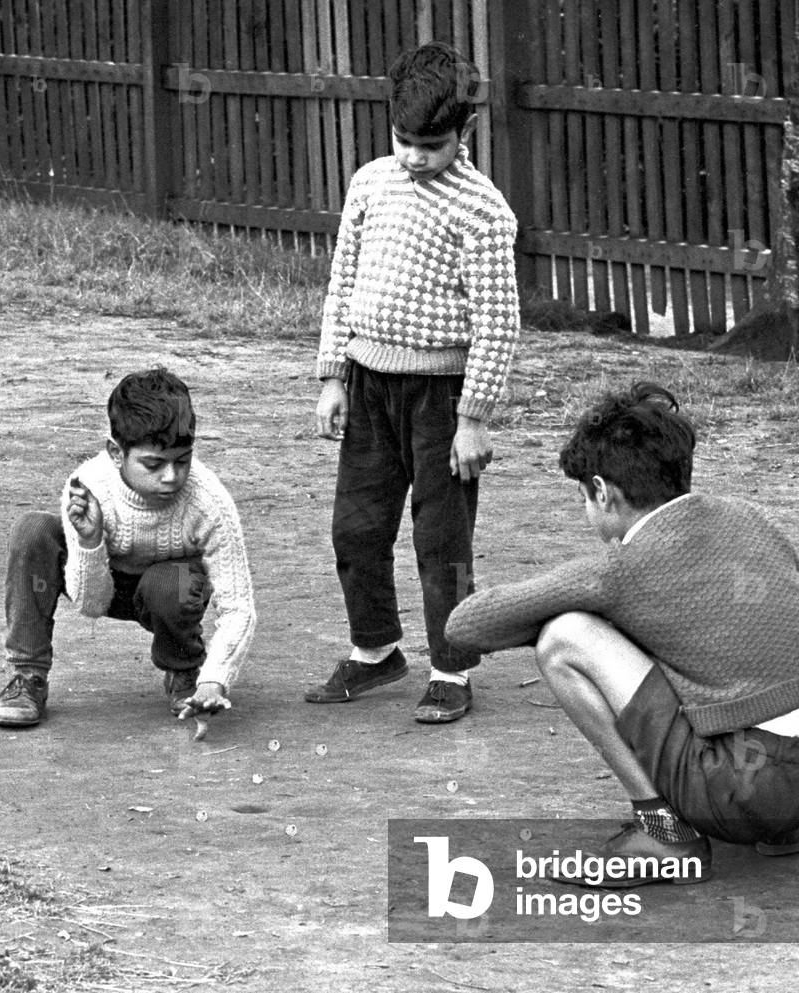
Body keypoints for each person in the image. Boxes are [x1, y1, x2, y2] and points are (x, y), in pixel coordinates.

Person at [445, 382, 799, 885]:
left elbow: (463, 627)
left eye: (583, 497)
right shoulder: (749, 516)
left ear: (602, 490)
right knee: (722, 650)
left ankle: (663, 832)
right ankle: (780, 832)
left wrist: (584, 615)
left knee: (564, 636)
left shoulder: (621, 570)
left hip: (746, 790)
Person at [305, 41, 520, 723]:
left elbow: (497, 322)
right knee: (356, 528)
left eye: (430, 144)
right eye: (403, 140)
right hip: (368, 386)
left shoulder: (484, 212)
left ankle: (451, 667)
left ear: (466, 131)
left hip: (440, 401)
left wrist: (474, 416)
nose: (413, 156)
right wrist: (333, 373)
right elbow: (343, 281)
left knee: (440, 543)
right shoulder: (369, 183)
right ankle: (374, 650)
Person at [0, 368, 256, 729]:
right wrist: (89, 540)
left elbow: (239, 606)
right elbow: (91, 605)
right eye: (153, 464)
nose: (171, 476)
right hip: (102, 582)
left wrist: (216, 678)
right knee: (32, 530)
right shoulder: (88, 488)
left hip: (170, 594)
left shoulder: (209, 502)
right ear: (116, 452)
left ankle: (184, 671)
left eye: (182, 460)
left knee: (169, 582)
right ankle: (28, 677)